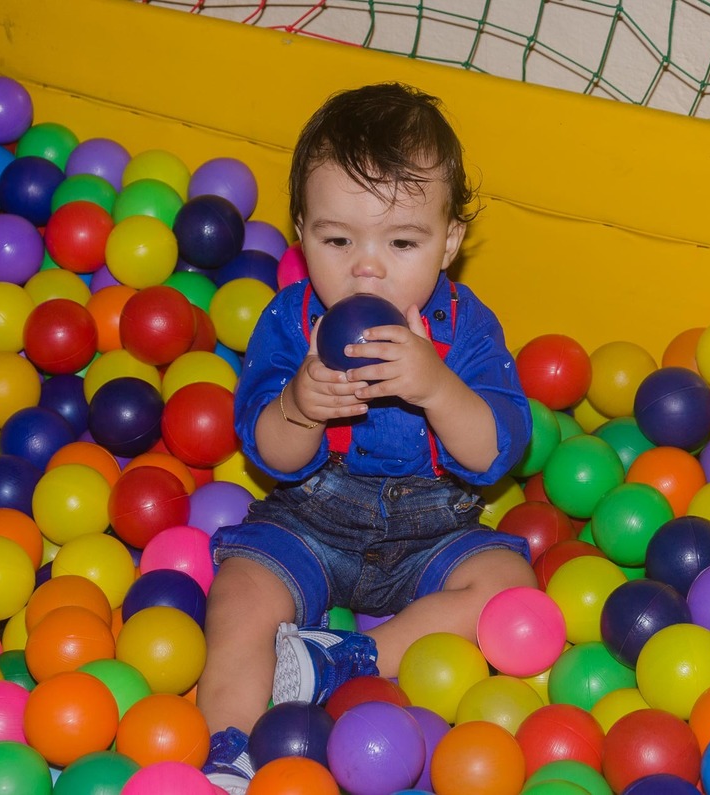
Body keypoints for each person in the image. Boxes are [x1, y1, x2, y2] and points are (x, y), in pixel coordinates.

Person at [197, 81, 536, 793]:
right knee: (242, 594)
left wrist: (437, 387)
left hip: (431, 536)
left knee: (508, 588)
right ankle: (229, 750)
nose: (367, 265)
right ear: (300, 232)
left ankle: (344, 657)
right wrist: (301, 402)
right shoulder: (291, 324)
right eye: (338, 238)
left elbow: (497, 453)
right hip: (311, 523)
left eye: (402, 240)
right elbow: (268, 454)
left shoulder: (467, 328)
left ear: (448, 243)